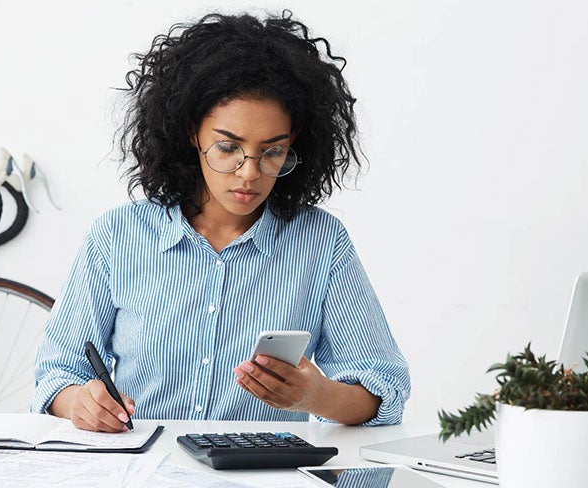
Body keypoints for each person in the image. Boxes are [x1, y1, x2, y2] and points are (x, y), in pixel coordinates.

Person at [32, 10, 411, 432]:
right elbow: (56, 374)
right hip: (143, 463)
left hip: (261, 466)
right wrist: (80, 404)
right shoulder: (118, 236)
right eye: (228, 147)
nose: (249, 173)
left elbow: (385, 388)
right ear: (192, 132)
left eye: (272, 152)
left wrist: (316, 396)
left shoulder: (321, 243)